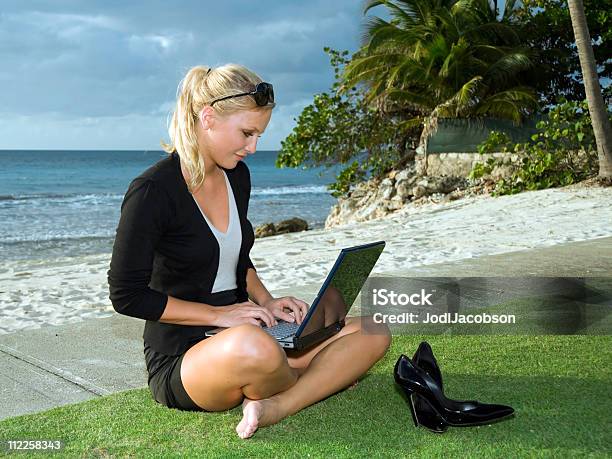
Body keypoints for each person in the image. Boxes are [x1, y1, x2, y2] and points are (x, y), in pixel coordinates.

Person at [107, 64, 391, 439]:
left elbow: (238, 260)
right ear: (207, 117)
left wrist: (268, 302)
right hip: (186, 355)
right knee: (256, 349)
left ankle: (277, 402)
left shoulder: (236, 175)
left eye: (258, 134)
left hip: (251, 325)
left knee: (373, 330)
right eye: (246, 132)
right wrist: (220, 315)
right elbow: (126, 296)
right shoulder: (151, 191)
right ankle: (320, 374)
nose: (253, 147)